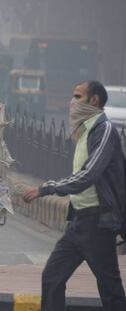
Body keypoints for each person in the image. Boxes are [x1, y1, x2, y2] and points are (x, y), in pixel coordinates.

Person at [23, 80, 126, 311]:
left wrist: (46, 188)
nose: (72, 101)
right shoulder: (85, 130)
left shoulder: (104, 130)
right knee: (52, 277)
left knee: (110, 289)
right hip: (78, 222)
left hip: (98, 223)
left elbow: (88, 175)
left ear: (94, 100)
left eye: (77, 96)